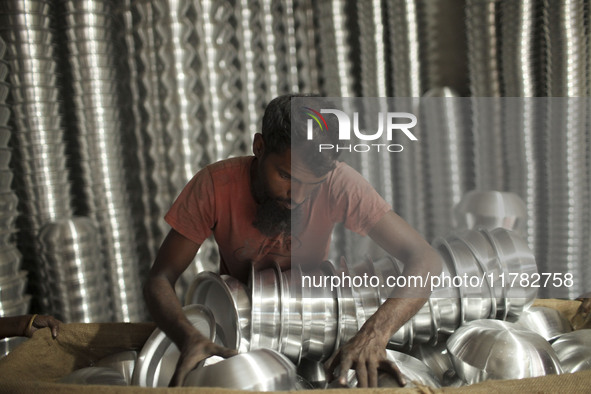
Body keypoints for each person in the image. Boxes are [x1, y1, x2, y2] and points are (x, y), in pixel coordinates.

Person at [144, 93, 443, 388]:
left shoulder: (338, 183)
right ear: (259, 147)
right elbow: (160, 277)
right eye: (286, 176)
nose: (297, 197)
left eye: (311, 185)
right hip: (242, 334)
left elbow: (425, 258)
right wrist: (188, 337)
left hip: (315, 325)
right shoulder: (214, 186)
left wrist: (374, 334)